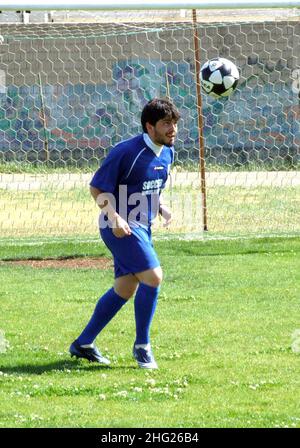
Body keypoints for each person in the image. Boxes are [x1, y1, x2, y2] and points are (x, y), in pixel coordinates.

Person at [69, 98, 180, 369]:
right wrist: (114, 216)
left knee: (125, 288)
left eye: (175, 123)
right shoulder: (125, 151)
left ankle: (83, 343)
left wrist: (161, 206)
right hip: (118, 227)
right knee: (153, 277)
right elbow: (97, 188)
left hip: (143, 226)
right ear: (149, 126)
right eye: (166, 124)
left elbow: (152, 187)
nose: (173, 130)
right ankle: (142, 346)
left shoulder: (167, 152)